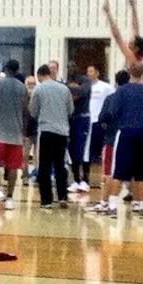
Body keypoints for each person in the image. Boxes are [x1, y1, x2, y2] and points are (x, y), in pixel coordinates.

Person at [97, 62, 143, 218]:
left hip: (125, 133)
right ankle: (142, 206)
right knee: (141, 173)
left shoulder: (122, 91)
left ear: (130, 72)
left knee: (118, 171)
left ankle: (112, 206)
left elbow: (112, 112)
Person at [0, 59, 27, 210]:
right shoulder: (23, 87)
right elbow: (25, 110)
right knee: (13, 167)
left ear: (6, 69)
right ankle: (9, 198)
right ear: (17, 70)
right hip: (16, 132)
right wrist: (24, 130)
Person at [29, 64, 74, 210]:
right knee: (60, 165)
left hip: (46, 130)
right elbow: (70, 110)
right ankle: (62, 196)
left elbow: (33, 111)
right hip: (62, 132)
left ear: (40, 76)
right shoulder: (64, 88)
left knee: (44, 166)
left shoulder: (39, 88)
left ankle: (46, 201)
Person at [86, 70, 127, 213]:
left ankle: (105, 202)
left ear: (116, 81)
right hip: (130, 139)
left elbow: (103, 117)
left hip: (112, 139)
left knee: (109, 172)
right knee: (133, 173)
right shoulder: (134, 97)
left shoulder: (112, 98)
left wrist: (106, 125)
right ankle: (139, 204)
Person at [85, 65, 114, 188]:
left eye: (91, 71)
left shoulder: (105, 87)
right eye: (87, 71)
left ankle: (104, 177)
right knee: (88, 152)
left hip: (99, 122)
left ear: (97, 72)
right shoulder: (85, 87)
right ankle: (86, 179)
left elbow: (113, 100)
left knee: (102, 152)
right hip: (87, 122)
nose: (89, 73)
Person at [66, 62, 93, 193]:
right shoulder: (67, 81)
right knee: (72, 150)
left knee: (83, 150)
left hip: (83, 118)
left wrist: (71, 89)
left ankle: (85, 180)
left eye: (72, 67)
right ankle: (76, 180)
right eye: (68, 68)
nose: (70, 69)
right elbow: (67, 93)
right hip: (71, 118)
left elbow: (82, 92)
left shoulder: (86, 80)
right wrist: (71, 88)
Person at [103, 0, 143, 68]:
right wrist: (133, 7)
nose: (129, 41)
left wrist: (108, 13)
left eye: (132, 41)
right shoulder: (137, 56)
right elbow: (135, 27)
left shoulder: (132, 57)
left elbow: (117, 36)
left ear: (136, 48)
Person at [22, 74, 38, 183]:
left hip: (37, 129)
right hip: (25, 130)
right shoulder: (22, 97)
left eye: (33, 83)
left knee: (38, 155)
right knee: (24, 156)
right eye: (29, 83)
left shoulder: (38, 96)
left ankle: (37, 175)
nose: (31, 85)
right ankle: (24, 176)